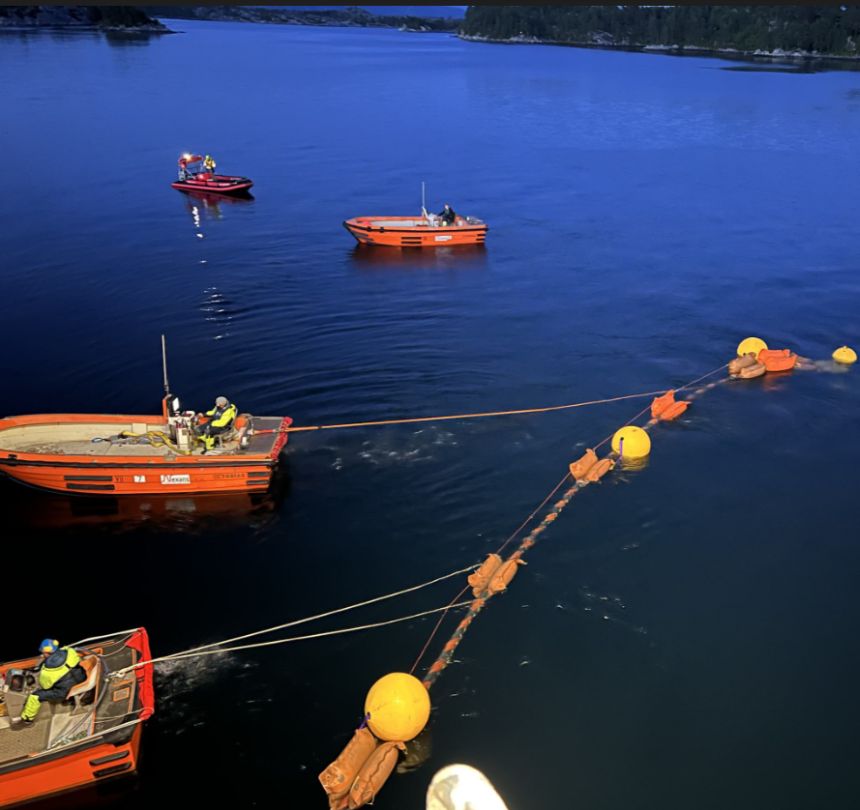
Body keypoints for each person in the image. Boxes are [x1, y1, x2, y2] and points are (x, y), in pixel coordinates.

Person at [17, 639, 87, 725]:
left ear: (46, 653)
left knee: (35, 696)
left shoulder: (48, 671)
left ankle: (27, 719)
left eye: (43, 652)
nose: (42, 654)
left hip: (64, 692)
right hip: (82, 678)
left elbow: (45, 686)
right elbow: (76, 658)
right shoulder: (70, 651)